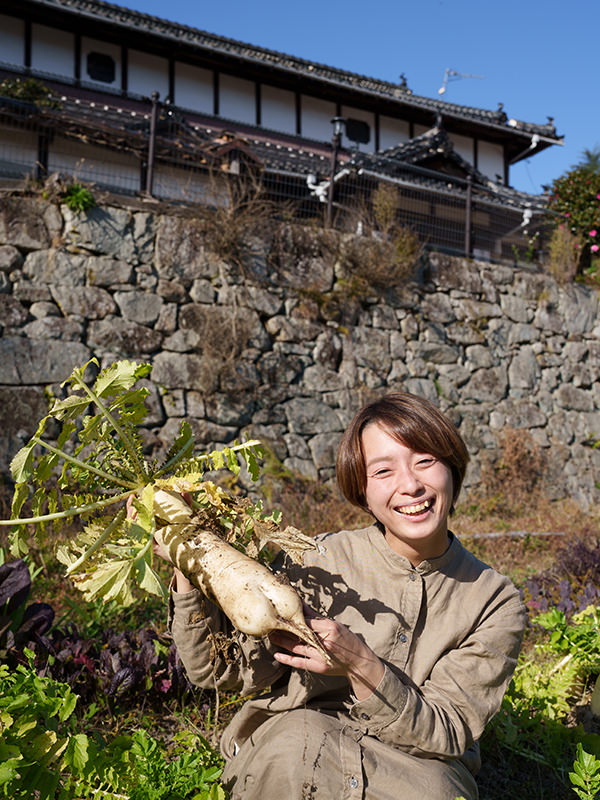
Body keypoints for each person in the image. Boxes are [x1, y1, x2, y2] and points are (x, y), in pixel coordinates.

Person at [163, 392, 526, 800]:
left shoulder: (494, 601)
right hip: (303, 740)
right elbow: (221, 673)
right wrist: (190, 560)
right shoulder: (316, 560)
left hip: (417, 767)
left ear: (452, 470)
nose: (410, 485)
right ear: (362, 491)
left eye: (425, 461)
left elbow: (444, 731)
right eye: (383, 471)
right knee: (289, 752)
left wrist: (359, 663)